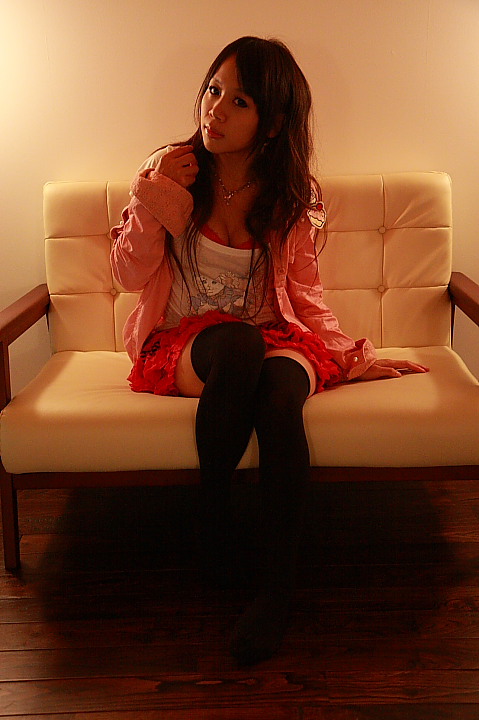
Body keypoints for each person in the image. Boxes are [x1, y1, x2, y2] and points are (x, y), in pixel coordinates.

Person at [110, 36, 428, 666]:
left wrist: (354, 357)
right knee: (239, 344)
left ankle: (277, 591)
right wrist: (154, 194)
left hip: (270, 335)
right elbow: (127, 274)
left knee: (280, 391)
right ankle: (214, 518)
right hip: (187, 341)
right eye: (213, 90)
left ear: (274, 122)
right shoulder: (172, 172)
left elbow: (304, 295)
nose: (215, 110)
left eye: (239, 101)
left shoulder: (291, 195)